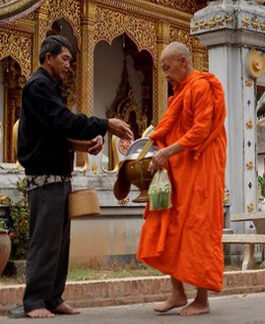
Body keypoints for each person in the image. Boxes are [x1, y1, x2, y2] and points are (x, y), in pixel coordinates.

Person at [17, 35, 133, 319]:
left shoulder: (51, 88)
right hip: (44, 179)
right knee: (45, 242)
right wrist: (105, 124)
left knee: (60, 243)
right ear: (48, 58)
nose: (69, 65)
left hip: (58, 177)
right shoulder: (38, 86)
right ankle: (34, 302)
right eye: (65, 59)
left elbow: (58, 133)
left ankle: (53, 297)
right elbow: (63, 121)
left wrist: (85, 143)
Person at [136, 42, 227, 316]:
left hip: (201, 167)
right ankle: (177, 292)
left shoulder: (199, 87)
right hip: (180, 166)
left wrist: (168, 151)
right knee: (169, 224)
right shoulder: (180, 92)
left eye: (167, 68)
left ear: (184, 63)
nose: (165, 75)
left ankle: (202, 299)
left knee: (199, 228)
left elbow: (200, 131)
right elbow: (173, 127)